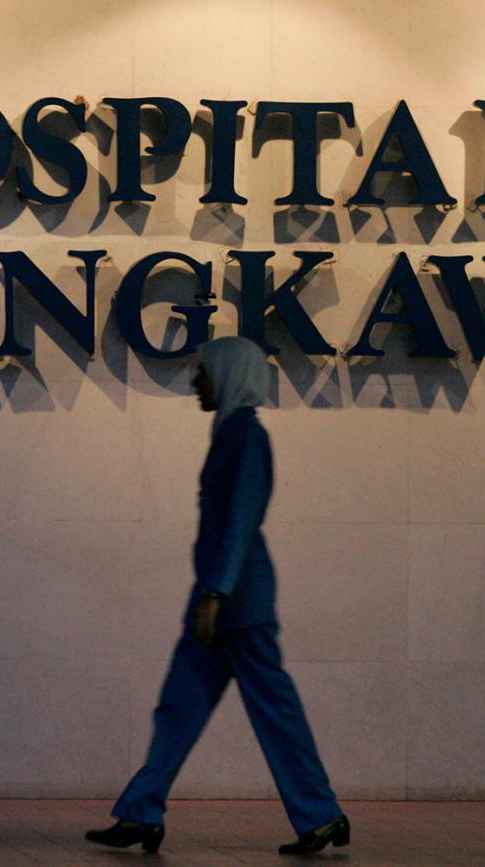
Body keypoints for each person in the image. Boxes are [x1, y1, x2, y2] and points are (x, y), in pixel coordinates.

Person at [85, 336, 350, 856]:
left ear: (229, 375)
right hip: (219, 598)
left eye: (203, 372)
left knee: (272, 712)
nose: (195, 382)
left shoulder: (246, 435)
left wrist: (217, 592)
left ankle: (320, 815)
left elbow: (241, 521)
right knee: (180, 708)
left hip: (236, 603)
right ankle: (141, 811)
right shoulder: (231, 431)